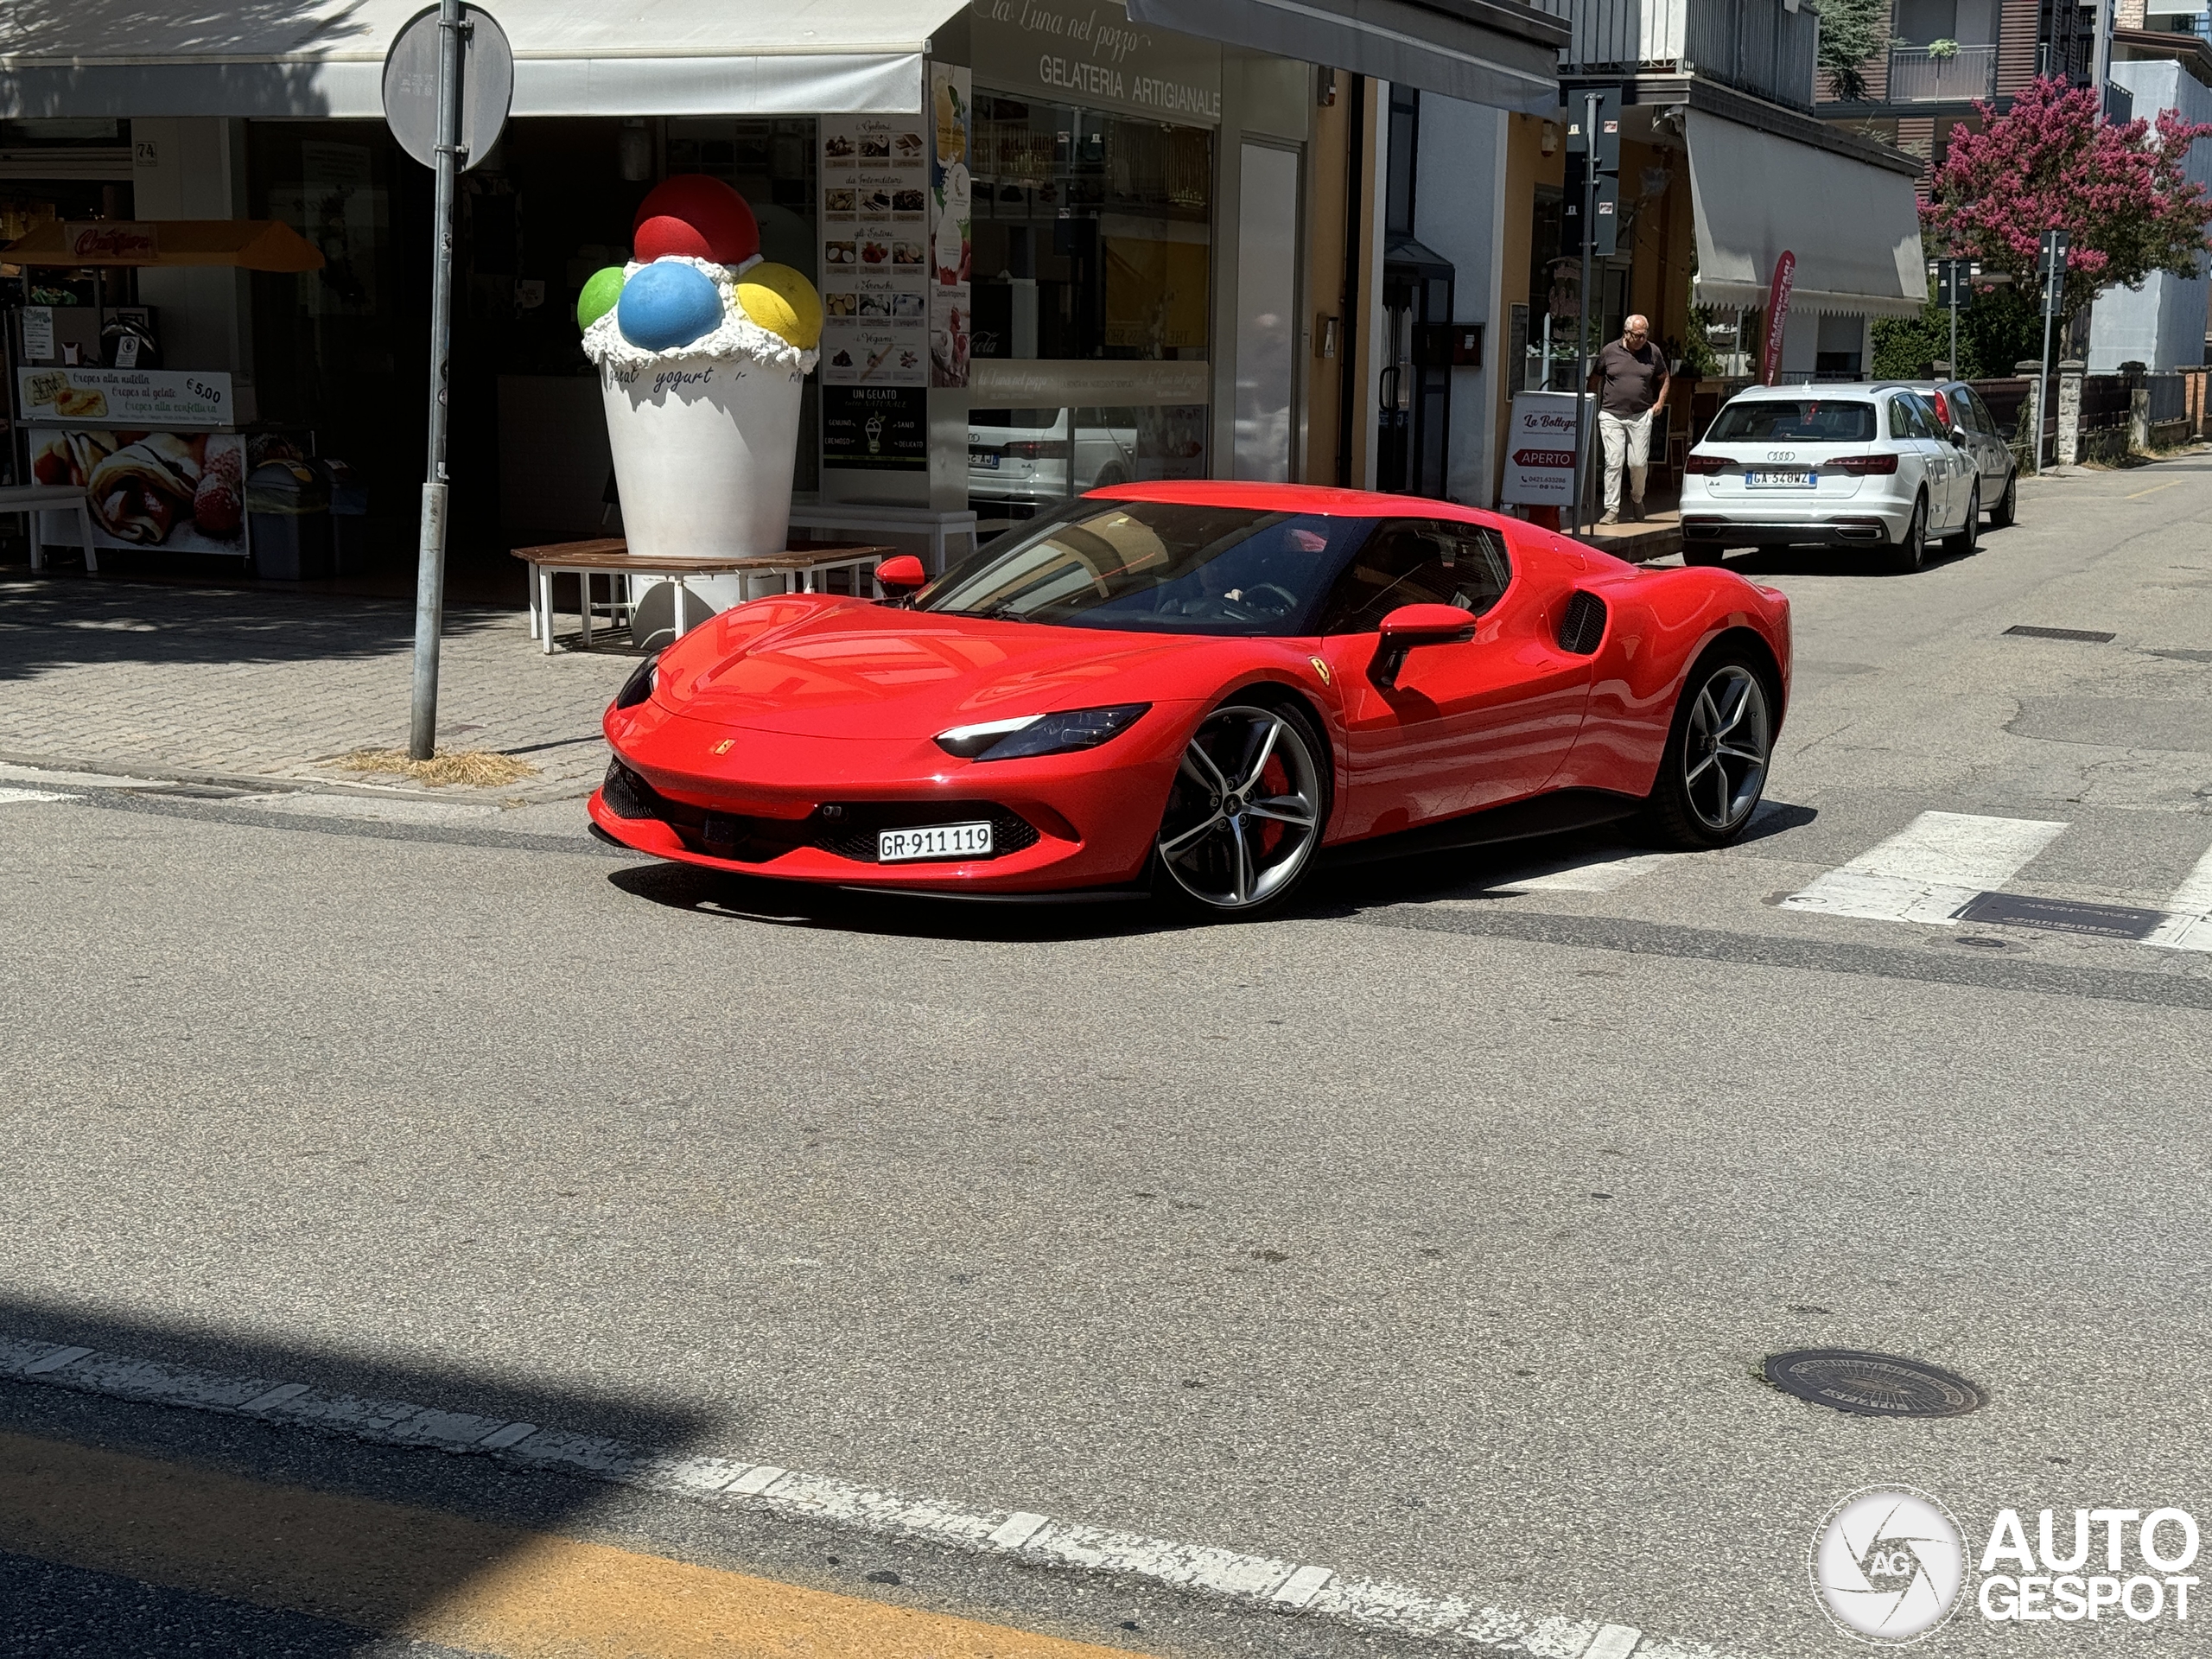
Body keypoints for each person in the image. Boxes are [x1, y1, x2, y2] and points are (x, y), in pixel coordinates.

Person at [1588, 315, 1669, 524]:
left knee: (1638, 463)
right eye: (1638, 335)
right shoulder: (1609, 351)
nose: (1642, 339)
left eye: (1645, 334)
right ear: (1626, 333)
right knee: (1614, 461)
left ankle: (1637, 497)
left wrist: (1659, 403)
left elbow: (1664, 378)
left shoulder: (1653, 352)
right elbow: (1595, 378)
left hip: (1641, 415)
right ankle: (1612, 510)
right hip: (1611, 414)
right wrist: (1592, 405)